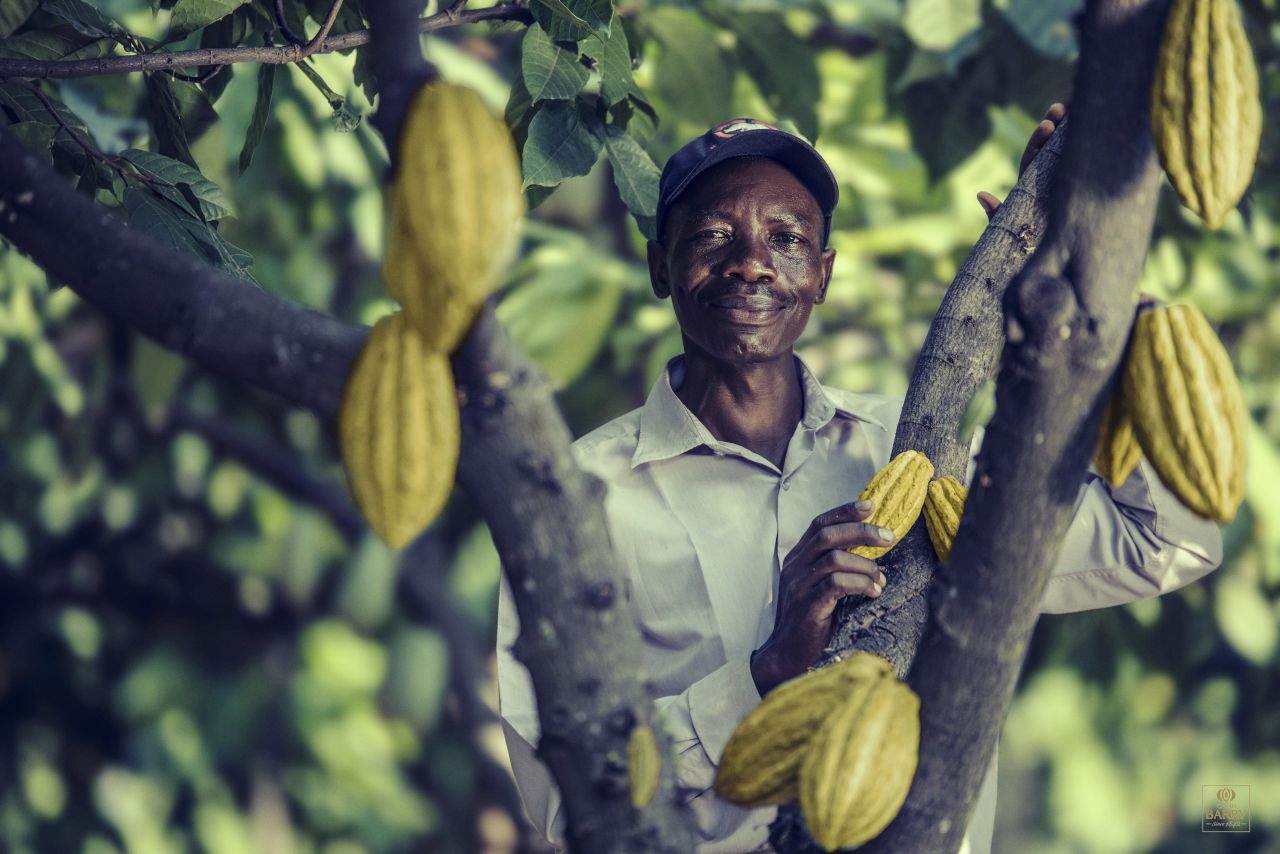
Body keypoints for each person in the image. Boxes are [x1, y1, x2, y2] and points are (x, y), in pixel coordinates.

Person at [496, 111, 1223, 853]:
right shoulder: (577, 496)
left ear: (822, 274)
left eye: (786, 239)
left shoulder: (914, 456)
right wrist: (766, 672)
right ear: (660, 266)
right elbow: (562, 798)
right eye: (715, 236)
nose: (751, 262)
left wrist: (1103, 323)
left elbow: (1167, 540)